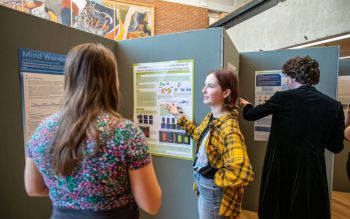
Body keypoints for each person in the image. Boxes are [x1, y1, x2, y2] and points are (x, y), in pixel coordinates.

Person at [24, 43, 162, 219]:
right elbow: (151, 204)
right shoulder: (126, 133)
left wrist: (72, 195)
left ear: (70, 79)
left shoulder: (42, 131)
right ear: (112, 80)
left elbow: (33, 188)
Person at [240, 56, 344, 219]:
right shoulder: (334, 105)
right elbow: (336, 147)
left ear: (292, 77)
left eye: (286, 76)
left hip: (282, 167)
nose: (285, 80)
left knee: (279, 209)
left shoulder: (282, 98)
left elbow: (251, 115)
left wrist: (246, 104)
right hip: (312, 170)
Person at [166, 69, 254, 219]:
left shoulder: (228, 129)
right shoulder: (212, 118)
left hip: (213, 192)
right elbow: (197, 134)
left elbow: (243, 173)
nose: (203, 90)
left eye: (211, 86)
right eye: (205, 85)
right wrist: (177, 114)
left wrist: (214, 178)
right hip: (204, 187)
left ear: (225, 93)